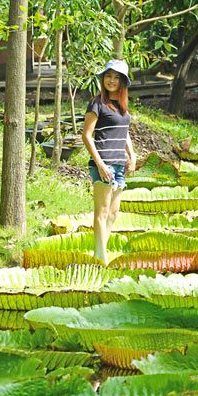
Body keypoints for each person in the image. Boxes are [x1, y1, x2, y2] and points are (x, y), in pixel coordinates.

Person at [82, 59, 136, 263]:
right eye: (108, 76)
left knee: (113, 212)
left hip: (119, 164)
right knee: (102, 211)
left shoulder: (122, 107)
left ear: (123, 82)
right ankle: (100, 256)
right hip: (103, 163)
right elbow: (87, 136)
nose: (111, 81)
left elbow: (124, 133)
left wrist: (132, 155)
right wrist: (100, 164)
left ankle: (101, 251)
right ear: (102, 78)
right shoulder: (97, 103)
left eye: (116, 77)